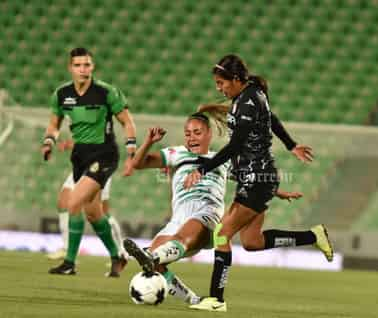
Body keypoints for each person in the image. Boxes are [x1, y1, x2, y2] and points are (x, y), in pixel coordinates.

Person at [182, 54, 333, 312]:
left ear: (237, 79)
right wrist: (291, 145)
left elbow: (236, 146)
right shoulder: (250, 94)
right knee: (252, 242)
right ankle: (313, 235)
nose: (219, 88)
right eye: (217, 83)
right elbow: (271, 118)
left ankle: (216, 300)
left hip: (256, 178)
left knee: (221, 234)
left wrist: (203, 169)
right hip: (256, 177)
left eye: (222, 83)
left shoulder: (249, 101)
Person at [122, 111, 302, 305]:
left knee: (158, 254)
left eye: (197, 132)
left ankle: (152, 255)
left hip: (207, 212)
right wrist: (149, 141)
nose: (191, 137)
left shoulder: (221, 159)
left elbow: (250, 180)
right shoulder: (175, 154)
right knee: (156, 268)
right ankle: (193, 300)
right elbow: (137, 163)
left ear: (209, 134)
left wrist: (278, 192)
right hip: (178, 219)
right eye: (188, 133)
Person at [41, 47, 136, 277]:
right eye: (78, 65)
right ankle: (117, 256)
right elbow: (54, 124)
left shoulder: (106, 92)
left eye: (87, 65)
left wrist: (131, 149)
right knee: (93, 214)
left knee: (73, 203)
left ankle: (70, 263)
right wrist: (49, 141)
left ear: (92, 67)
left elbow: (127, 122)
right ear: (70, 68)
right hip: (80, 157)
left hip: (104, 155)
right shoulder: (62, 94)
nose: (83, 69)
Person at [47, 140, 127, 263]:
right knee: (63, 202)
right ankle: (67, 248)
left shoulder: (103, 123)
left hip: (100, 164)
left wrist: (73, 144)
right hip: (82, 165)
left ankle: (121, 252)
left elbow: (99, 138)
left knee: (101, 212)